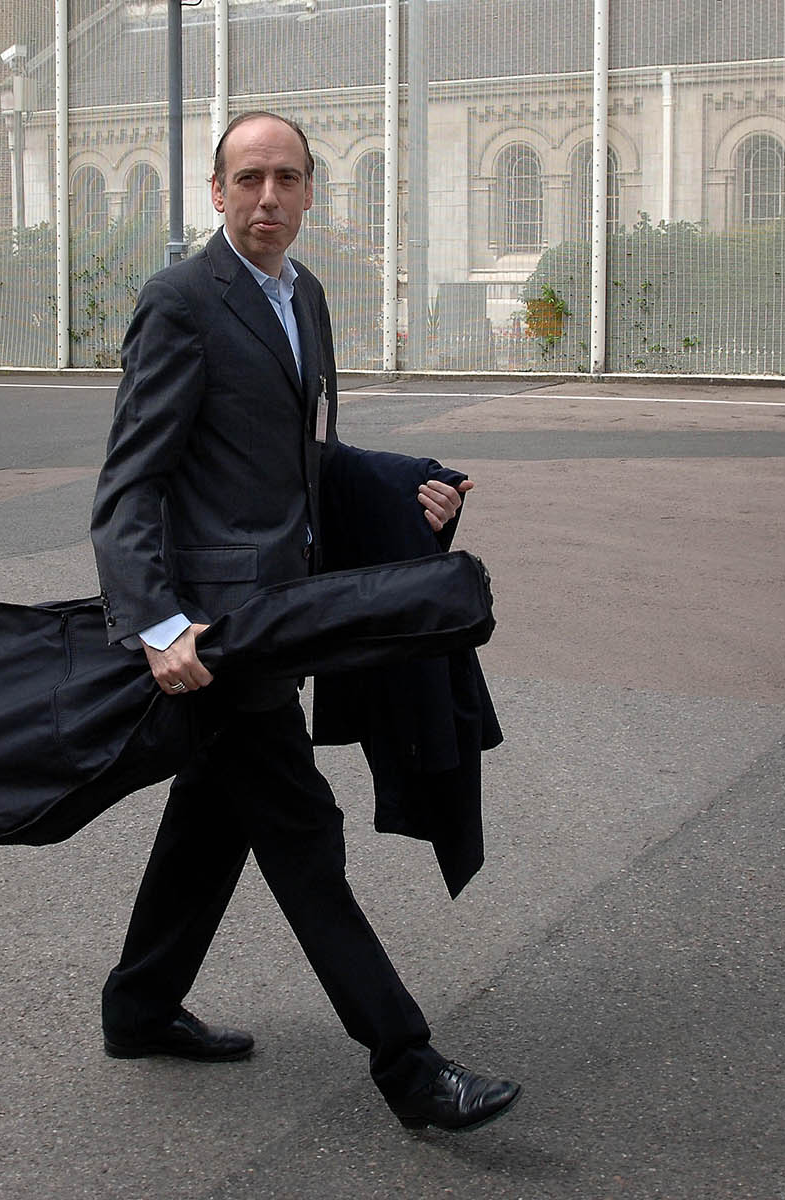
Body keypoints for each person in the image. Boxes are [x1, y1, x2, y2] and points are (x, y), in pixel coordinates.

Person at [89, 110, 520, 1133]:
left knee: (212, 818)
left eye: (286, 179)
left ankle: (140, 1005)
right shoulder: (182, 303)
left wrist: (407, 489)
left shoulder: (307, 298)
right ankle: (407, 1066)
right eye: (248, 179)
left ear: (311, 191)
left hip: (283, 612)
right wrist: (157, 628)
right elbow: (129, 485)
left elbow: (292, 460)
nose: (267, 198)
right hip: (218, 636)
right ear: (216, 191)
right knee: (300, 831)